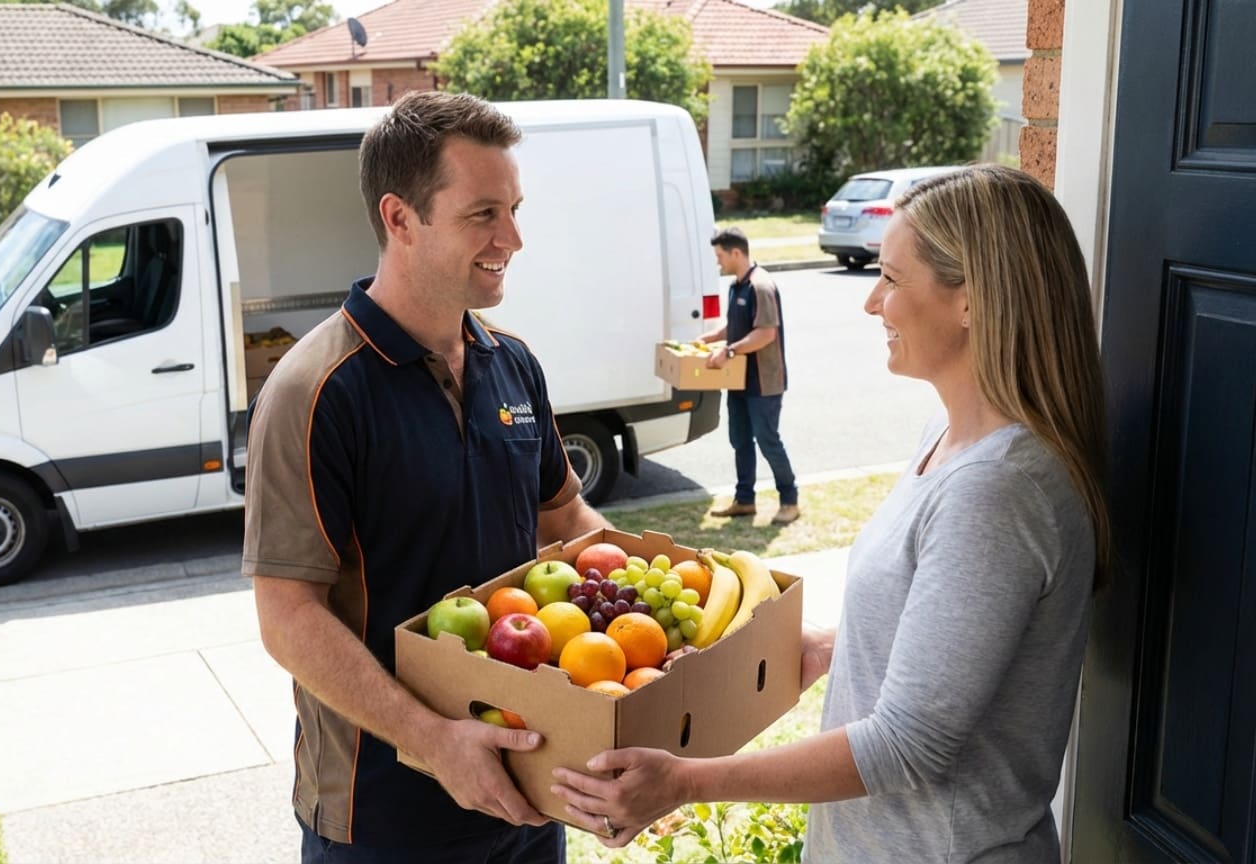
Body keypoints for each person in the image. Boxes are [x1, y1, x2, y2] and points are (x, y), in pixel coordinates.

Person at [549, 164, 1112, 863]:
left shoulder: (995, 491)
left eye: (893, 279)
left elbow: (908, 746)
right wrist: (824, 649)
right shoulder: (950, 443)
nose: (873, 303)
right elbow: (946, 640)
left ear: (973, 299)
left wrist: (686, 782)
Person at [242, 91, 610, 863]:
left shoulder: (512, 363)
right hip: (388, 816)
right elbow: (288, 616)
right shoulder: (316, 391)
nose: (512, 237)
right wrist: (435, 740)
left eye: (514, 209)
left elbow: (567, 520)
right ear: (400, 219)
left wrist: (674, 604)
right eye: (484, 214)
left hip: (528, 788)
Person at [701, 227, 800, 525]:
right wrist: (710, 338)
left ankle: (789, 500)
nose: (718, 262)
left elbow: (766, 333)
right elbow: (735, 326)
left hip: (764, 383)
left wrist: (728, 351)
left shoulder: (761, 286)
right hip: (739, 381)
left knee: (768, 440)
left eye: (720, 256)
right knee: (740, 440)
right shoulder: (736, 286)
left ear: (736, 253)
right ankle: (744, 500)